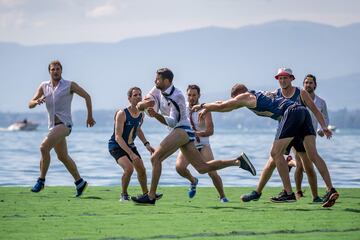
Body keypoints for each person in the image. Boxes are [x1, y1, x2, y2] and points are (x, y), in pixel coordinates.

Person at [193, 70, 338, 207]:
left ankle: (288, 193)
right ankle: (330, 189)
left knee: (276, 154)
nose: (235, 101)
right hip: (302, 112)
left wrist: (202, 105)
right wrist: (209, 107)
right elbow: (221, 102)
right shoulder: (257, 95)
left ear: (239, 94)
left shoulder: (246, 97)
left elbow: (225, 106)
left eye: (235, 98)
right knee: (312, 155)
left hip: (292, 113)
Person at [131, 68, 256, 205]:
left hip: (182, 130)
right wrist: (143, 105)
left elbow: (173, 122)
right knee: (202, 168)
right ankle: (237, 161)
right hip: (183, 132)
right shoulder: (157, 88)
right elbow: (146, 101)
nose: (155, 81)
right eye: (156, 79)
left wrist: (157, 115)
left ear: (167, 81)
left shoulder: (177, 96)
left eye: (158, 79)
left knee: (156, 158)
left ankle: (151, 196)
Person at [241, 69, 322, 203]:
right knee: (272, 160)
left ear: (291, 78)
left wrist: (323, 127)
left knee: (307, 164)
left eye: (285, 78)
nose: (283, 80)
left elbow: (315, 111)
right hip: (285, 130)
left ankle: (315, 197)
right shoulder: (275, 93)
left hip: (301, 131)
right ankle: (257, 192)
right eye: (280, 78)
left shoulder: (300, 92)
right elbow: (261, 100)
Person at [28, 60, 96, 197]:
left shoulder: (69, 85)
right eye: (53, 69)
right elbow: (30, 104)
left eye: (58, 69)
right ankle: (80, 182)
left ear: (61, 71)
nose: (56, 71)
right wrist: (36, 101)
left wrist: (89, 116)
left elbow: (87, 96)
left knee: (43, 147)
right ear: (49, 71)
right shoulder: (44, 86)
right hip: (53, 126)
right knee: (62, 156)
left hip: (65, 124)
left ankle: (41, 181)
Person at [176, 84, 229, 202]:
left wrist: (196, 133)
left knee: (212, 173)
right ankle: (193, 181)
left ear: (199, 95)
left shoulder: (205, 110)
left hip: (203, 145)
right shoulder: (182, 108)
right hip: (188, 144)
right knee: (180, 168)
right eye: (189, 95)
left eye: (194, 95)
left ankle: (222, 196)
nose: (191, 97)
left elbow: (210, 131)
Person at [108, 87, 161, 201]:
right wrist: (131, 154)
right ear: (129, 98)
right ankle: (124, 194)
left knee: (141, 170)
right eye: (135, 95)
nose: (138, 97)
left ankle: (146, 194)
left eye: (139, 95)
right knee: (129, 169)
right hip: (116, 146)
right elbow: (118, 137)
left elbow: (138, 129)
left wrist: (147, 144)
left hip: (130, 146)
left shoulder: (142, 114)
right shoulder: (122, 113)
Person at [292, 74, 330, 198]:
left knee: (307, 164)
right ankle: (298, 191)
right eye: (306, 82)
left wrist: (322, 130)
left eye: (310, 83)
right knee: (300, 164)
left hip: (311, 135)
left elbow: (325, 118)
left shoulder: (321, 102)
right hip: (296, 134)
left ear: (315, 85)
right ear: (303, 85)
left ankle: (322, 191)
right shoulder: (297, 99)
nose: (308, 85)